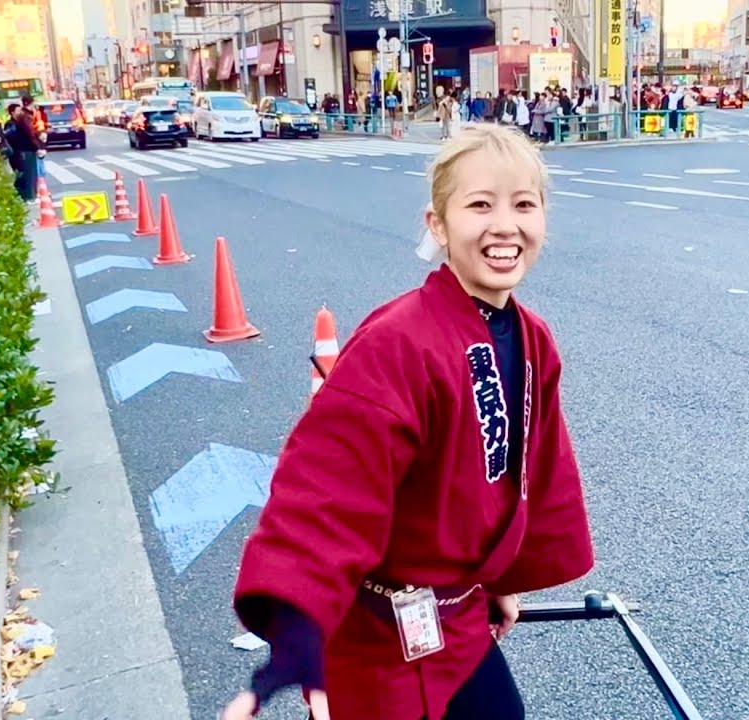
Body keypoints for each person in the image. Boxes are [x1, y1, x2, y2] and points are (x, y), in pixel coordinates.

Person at [222, 123, 596, 720]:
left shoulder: (534, 340)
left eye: (524, 205)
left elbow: (534, 472)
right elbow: (327, 488)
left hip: (456, 620)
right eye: (480, 205)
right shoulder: (398, 343)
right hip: (371, 634)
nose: (505, 225)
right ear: (438, 225)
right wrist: (296, 631)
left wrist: (501, 579)